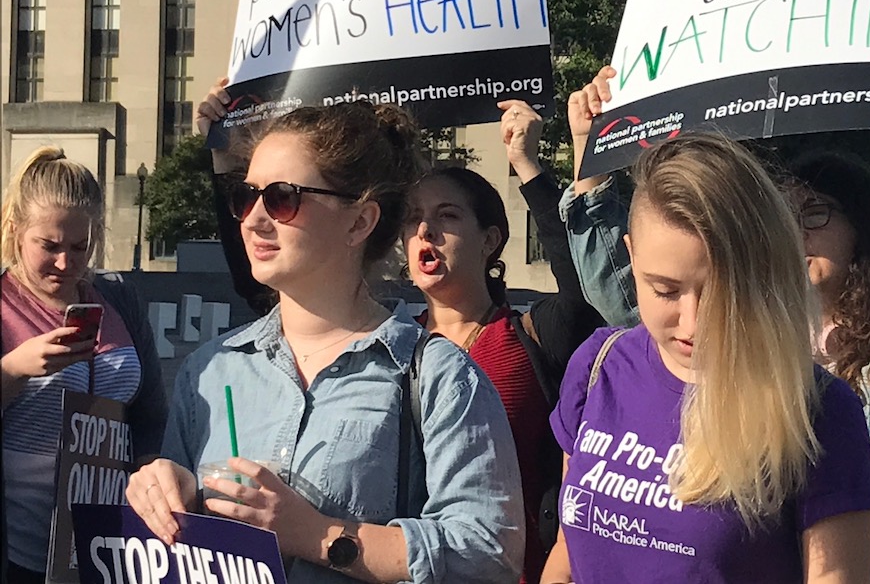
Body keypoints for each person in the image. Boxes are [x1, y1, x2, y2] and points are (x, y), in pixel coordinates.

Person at [560, 55, 870, 584]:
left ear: (863, 230)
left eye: (816, 213)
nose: (796, 231)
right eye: (784, 215)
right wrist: (594, 147)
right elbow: (630, 287)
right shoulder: (725, 332)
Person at [126, 102, 525, 583]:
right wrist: (170, 489)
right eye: (244, 197)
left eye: (282, 198)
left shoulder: (437, 374)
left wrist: (317, 535)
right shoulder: (211, 371)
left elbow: (488, 553)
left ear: (359, 222)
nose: (253, 219)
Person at [541, 133, 870, 584]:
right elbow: (567, 550)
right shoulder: (597, 366)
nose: (693, 323)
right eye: (665, 290)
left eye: (721, 293)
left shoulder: (817, 407)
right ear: (630, 255)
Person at [403, 99, 603, 584]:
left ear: (490, 240)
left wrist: (526, 163)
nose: (425, 230)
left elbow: (583, 284)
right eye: (412, 218)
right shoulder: (389, 348)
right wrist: (225, 157)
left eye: (448, 216)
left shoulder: (532, 335)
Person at [2, 148, 168, 584]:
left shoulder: (117, 295)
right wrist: (13, 370)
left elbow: (149, 412)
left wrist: (151, 482)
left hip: (107, 545)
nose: (65, 263)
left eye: (80, 247)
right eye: (49, 246)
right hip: (20, 551)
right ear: (16, 230)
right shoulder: (4, 303)